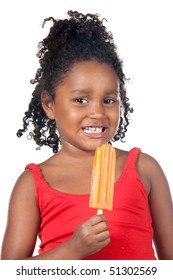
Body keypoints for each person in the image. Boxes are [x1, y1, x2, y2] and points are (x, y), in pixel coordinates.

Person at [1, 10, 173, 260]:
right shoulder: (32, 184)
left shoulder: (144, 169)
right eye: (80, 100)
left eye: (109, 100)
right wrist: (73, 249)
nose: (97, 112)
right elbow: (11, 273)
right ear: (49, 105)